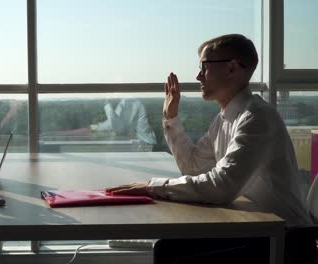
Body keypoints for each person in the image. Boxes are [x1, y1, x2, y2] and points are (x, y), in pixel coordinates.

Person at [106, 34, 312, 262]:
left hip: (287, 241)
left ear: (232, 68)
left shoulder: (257, 118)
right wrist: (171, 118)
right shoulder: (224, 119)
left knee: (174, 256)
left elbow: (222, 187)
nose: (198, 75)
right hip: (256, 229)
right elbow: (193, 168)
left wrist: (152, 187)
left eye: (204, 67)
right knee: (168, 249)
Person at [55, 98, 157, 146]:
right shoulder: (124, 102)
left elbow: (118, 128)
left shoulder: (131, 102)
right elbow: (113, 124)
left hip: (145, 146)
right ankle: (56, 134)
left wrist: (106, 104)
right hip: (137, 145)